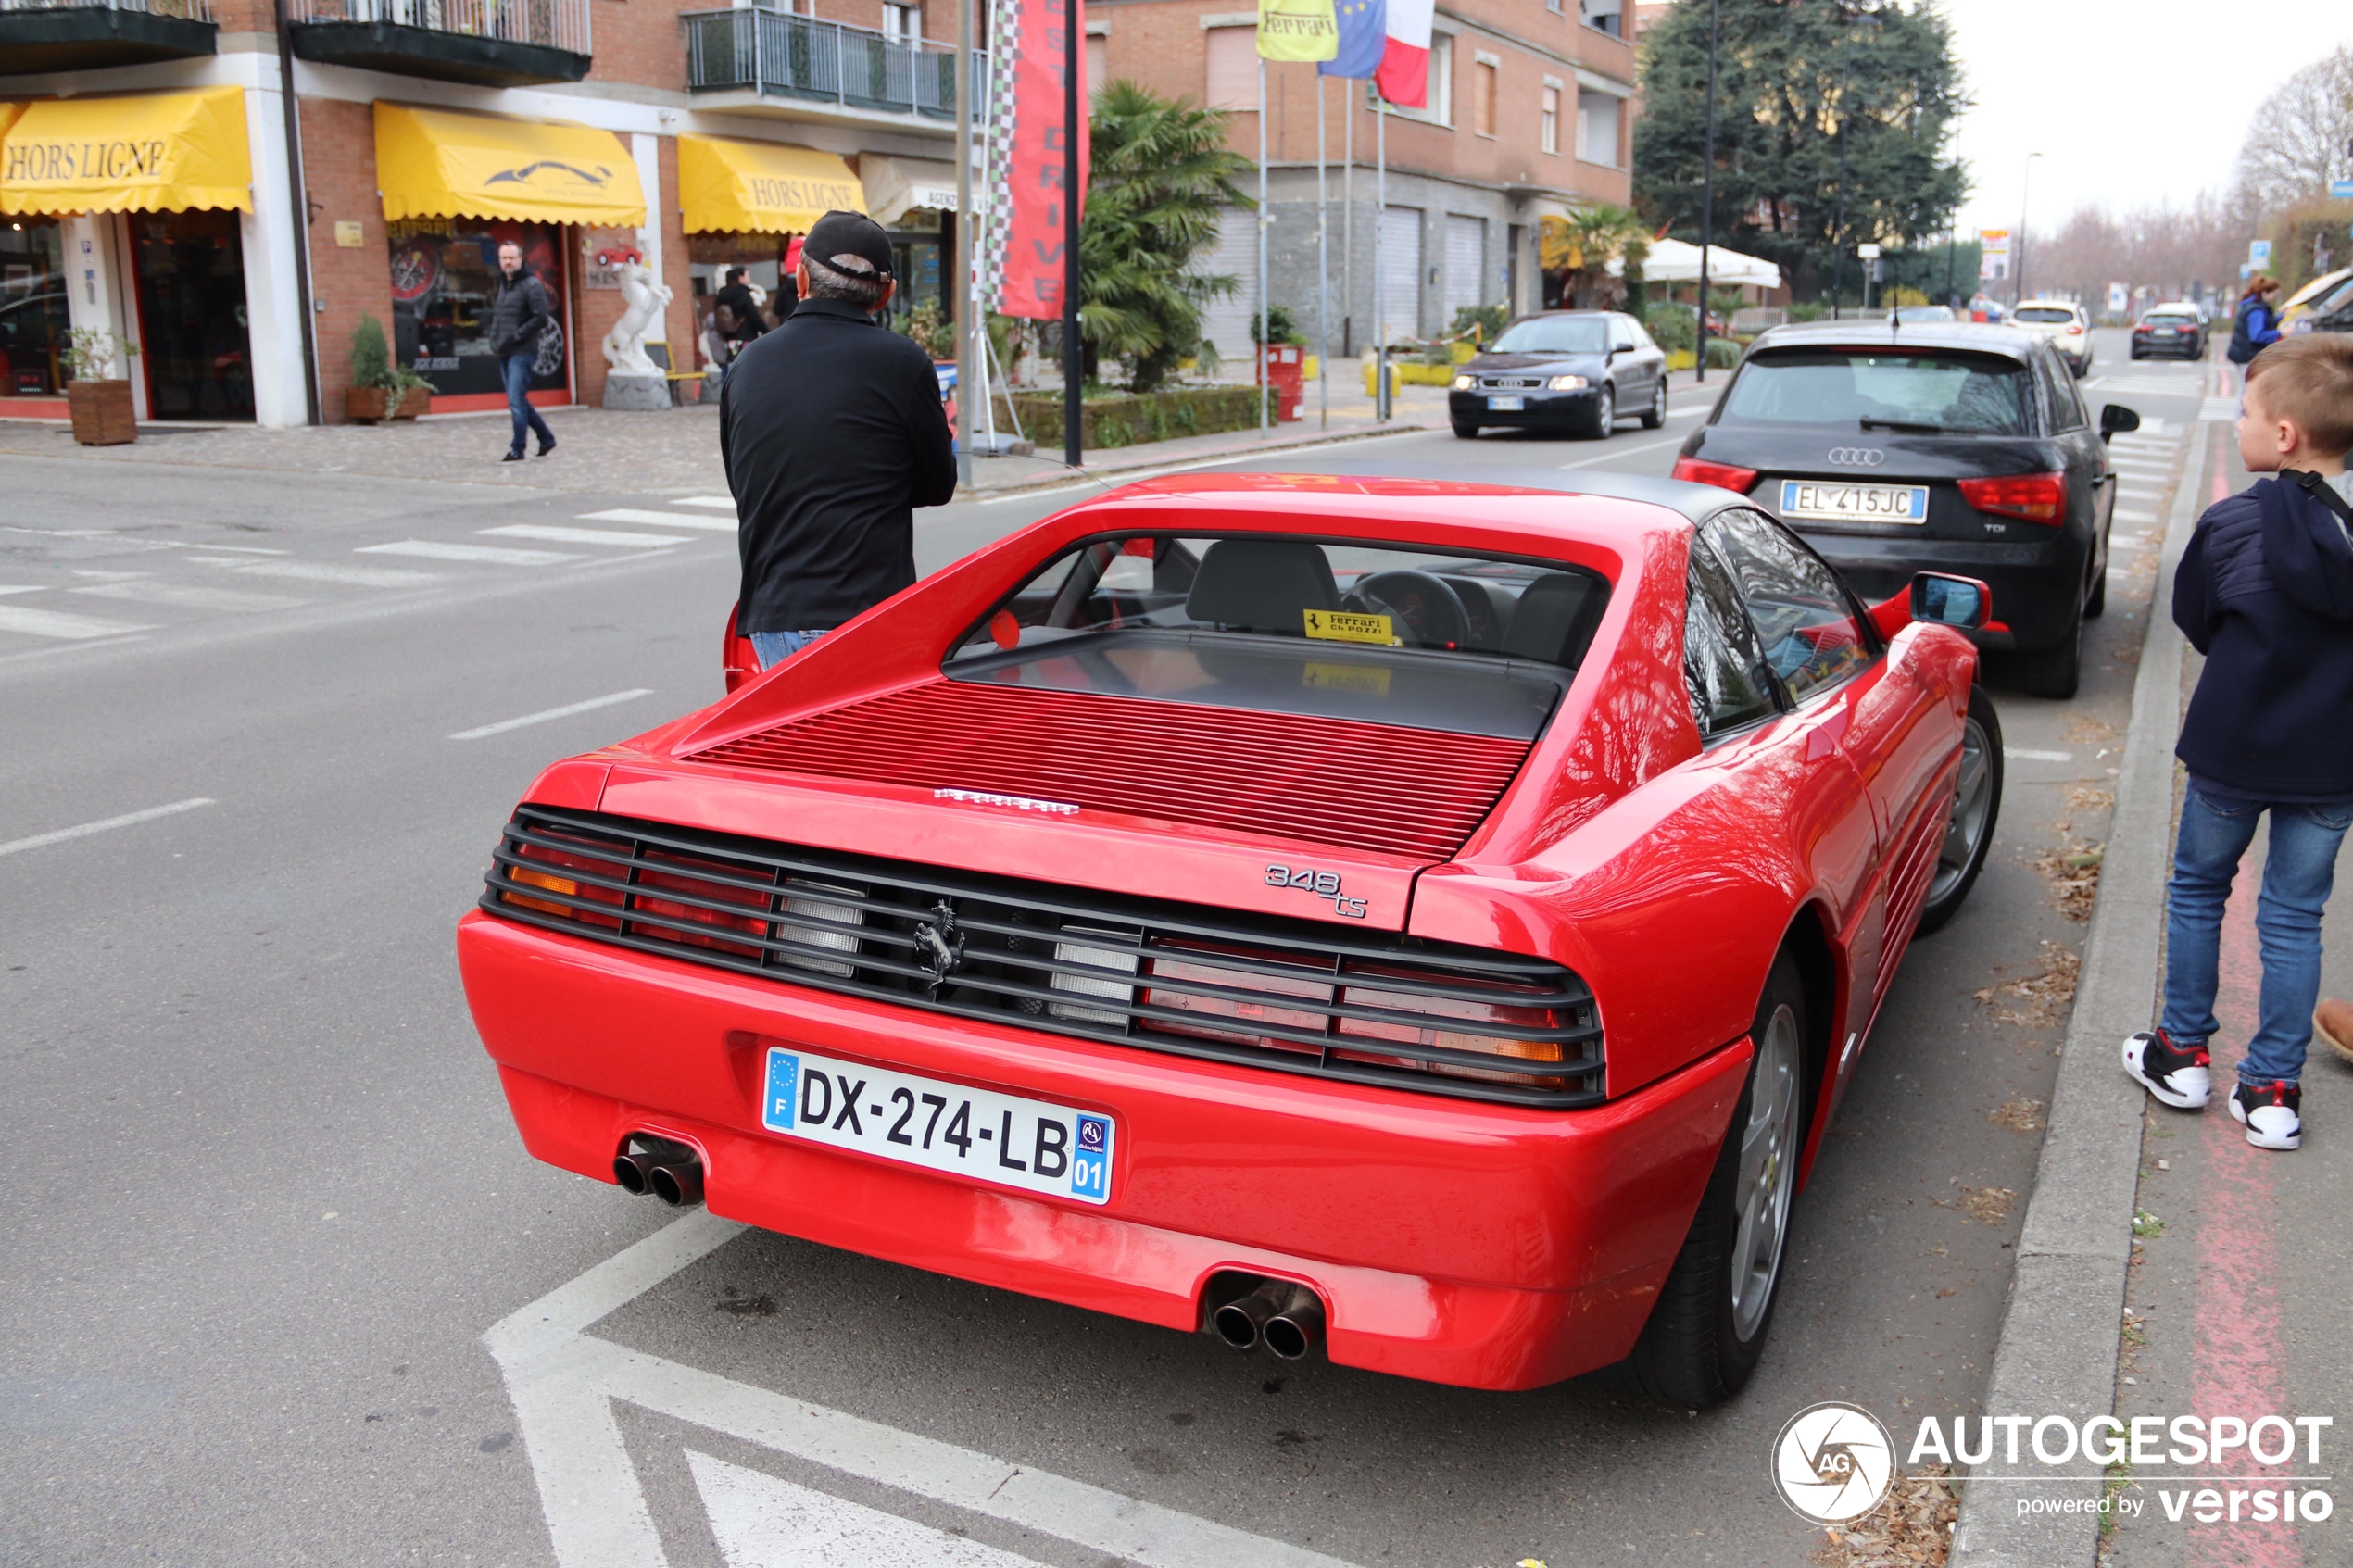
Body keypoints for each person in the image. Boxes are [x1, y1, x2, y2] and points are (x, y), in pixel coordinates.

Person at [2122, 334, 2353, 1150]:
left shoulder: (2231, 523)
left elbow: (2197, 620)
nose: (2241, 422)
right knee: (2295, 916)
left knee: (2199, 889)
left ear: (2285, 434)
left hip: (2233, 748)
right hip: (2333, 761)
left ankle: (2182, 1053)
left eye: (2249, 410)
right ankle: (2272, 1093)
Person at [721, 209, 957, 671]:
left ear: (801, 279)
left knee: (804, 745)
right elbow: (937, 486)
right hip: (869, 612)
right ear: (885, 295)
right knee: (870, 746)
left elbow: (744, 481)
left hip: (773, 615)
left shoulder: (747, 366)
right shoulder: (903, 363)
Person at [487, 240, 557, 462]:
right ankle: (546, 438)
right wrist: (495, 339)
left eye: (511, 257)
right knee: (517, 400)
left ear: (520, 259)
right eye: (503, 258)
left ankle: (518, 448)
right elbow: (500, 317)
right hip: (505, 351)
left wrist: (517, 336)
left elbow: (540, 317)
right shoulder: (504, 285)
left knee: (516, 401)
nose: (507, 262)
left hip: (523, 351)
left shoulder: (531, 285)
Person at [2226, 274, 2284, 369]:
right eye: (2274, 294)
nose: (2275, 298)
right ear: (2265, 293)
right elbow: (2257, 335)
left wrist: (2282, 317)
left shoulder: (2253, 305)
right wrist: (2280, 333)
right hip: (2247, 357)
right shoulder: (2256, 311)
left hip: (2244, 355)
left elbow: (2268, 323)